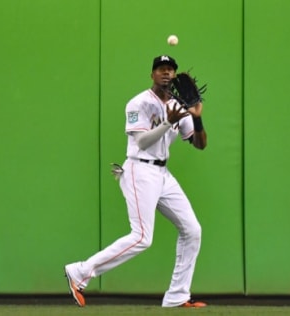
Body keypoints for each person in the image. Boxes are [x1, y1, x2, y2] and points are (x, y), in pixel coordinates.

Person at [64, 55, 207, 308]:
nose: (166, 74)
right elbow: (141, 142)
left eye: (170, 70)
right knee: (142, 236)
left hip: (163, 174)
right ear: (152, 74)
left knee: (192, 230)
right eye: (161, 69)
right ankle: (80, 272)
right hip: (139, 170)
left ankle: (177, 296)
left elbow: (200, 144)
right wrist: (167, 123)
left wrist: (196, 117)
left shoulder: (179, 105)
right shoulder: (138, 103)